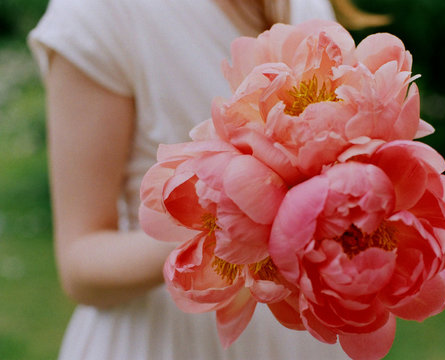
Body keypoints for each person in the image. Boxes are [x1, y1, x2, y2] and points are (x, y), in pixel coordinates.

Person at [29, 0, 386, 358]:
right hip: (168, 339)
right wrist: (240, 228)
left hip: (302, 337)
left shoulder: (306, 4)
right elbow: (80, 263)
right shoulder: (100, 13)